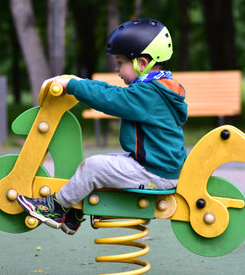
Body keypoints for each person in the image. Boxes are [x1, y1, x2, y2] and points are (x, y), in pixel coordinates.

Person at [17, 18, 188, 235]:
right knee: (107, 164)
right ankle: (75, 212)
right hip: (157, 167)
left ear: (142, 63)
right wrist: (79, 82)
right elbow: (113, 92)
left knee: (93, 167)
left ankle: (56, 208)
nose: (117, 69)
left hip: (155, 173)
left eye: (120, 62)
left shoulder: (148, 94)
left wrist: (73, 85)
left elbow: (110, 99)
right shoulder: (161, 88)